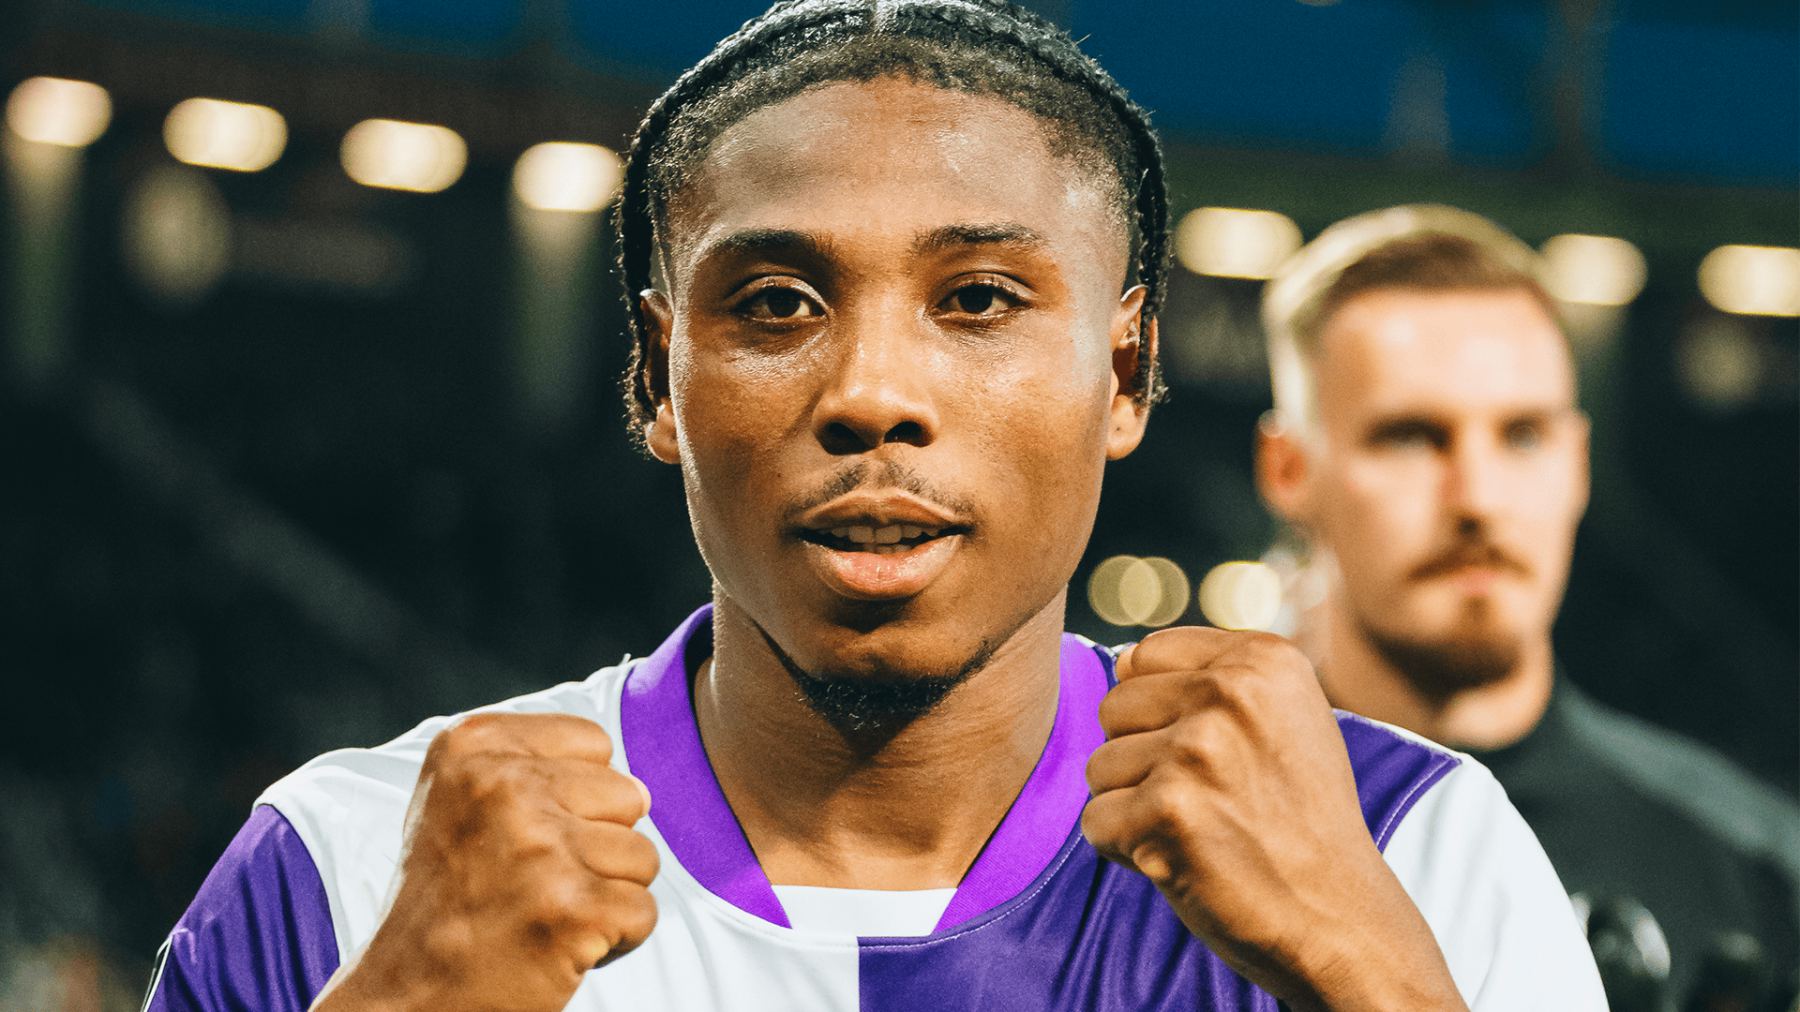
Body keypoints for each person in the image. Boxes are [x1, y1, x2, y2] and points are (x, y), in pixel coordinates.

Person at [144, 6, 1605, 1010]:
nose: (872, 393)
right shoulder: (351, 869)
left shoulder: (1410, 853)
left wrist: (1375, 980)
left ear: (1127, 372)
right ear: (658, 378)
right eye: (777, 303)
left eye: (979, 299)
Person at [1256, 203, 1800, 1009]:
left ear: (1578, 465)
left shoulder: (1758, 869)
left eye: (1523, 435)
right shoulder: (1163, 841)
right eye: (1411, 436)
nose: (1477, 498)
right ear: (1289, 470)